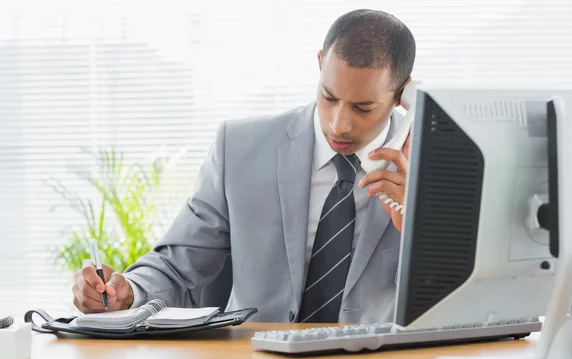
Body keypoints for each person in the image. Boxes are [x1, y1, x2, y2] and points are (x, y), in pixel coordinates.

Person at [72, 8, 416, 323]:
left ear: (402, 94)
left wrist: (422, 223)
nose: (339, 124)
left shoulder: (426, 169)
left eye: (363, 108)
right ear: (319, 63)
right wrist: (126, 291)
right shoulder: (240, 149)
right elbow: (178, 266)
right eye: (328, 97)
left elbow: (455, 304)